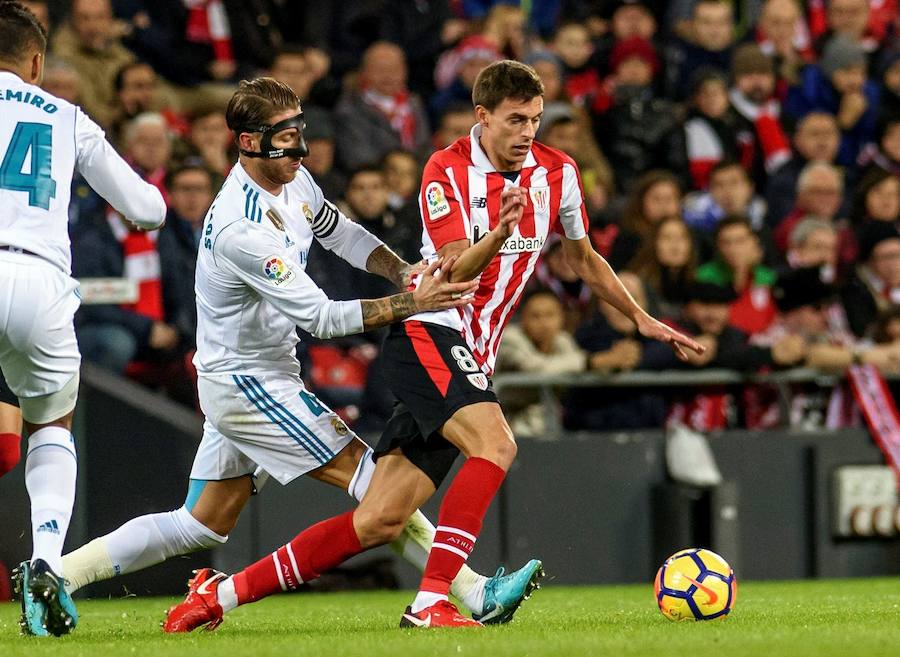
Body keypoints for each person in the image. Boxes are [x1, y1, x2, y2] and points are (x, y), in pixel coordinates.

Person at [163, 60, 704, 632]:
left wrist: (639, 317)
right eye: (515, 120)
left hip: (476, 351)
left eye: (536, 120)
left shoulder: (559, 173)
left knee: (379, 519)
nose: (527, 133)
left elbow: (582, 256)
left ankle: (217, 597)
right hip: (430, 333)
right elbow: (449, 271)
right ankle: (432, 602)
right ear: (483, 117)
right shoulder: (445, 171)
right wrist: (497, 234)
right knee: (495, 445)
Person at [61, 77, 538, 629]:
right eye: (285, 137)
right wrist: (414, 300)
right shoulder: (241, 226)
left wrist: (401, 269)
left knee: (200, 525)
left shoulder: (293, 181)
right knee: (374, 484)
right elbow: (321, 318)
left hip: (248, 375)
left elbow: (342, 234)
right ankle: (469, 592)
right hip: (249, 384)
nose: (301, 149)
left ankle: (57, 574)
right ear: (247, 142)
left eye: (300, 132)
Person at [0, 1, 167, 637]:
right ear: (37, 63)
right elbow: (148, 207)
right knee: (50, 424)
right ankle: (44, 561)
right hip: (39, 281)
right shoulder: (66, 117)